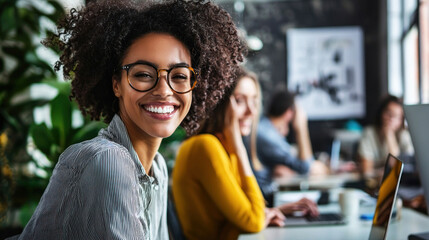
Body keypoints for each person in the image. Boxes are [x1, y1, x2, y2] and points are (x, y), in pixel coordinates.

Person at [13, 1, 245, 239]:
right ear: (116, 84)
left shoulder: (157, 168)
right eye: (143, 74)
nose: (164, 90)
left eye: (179, 75)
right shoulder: (107, 160)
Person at [172, 68, 318, 240]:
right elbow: (252, 221)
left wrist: (277, 210)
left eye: (255, 101)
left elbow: (244, 212)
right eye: (240, 101)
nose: (252, 111)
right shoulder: (206, 146)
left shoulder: (221, 148)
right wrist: (239, 148)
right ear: (220, 103)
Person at [255, 90, 320, 178]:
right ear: (289, 112)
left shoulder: (265, 127)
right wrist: (301, 127)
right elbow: (306, 167)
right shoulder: (268, 135)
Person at [357, 95, 414, 178]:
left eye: (396, 116)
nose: (391, 119)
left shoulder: (404, 135)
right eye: (388, 113)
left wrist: (389, 136)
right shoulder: (369, 133)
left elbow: (396, 168)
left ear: (401, 120)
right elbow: (367, 171)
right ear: (381, 113)